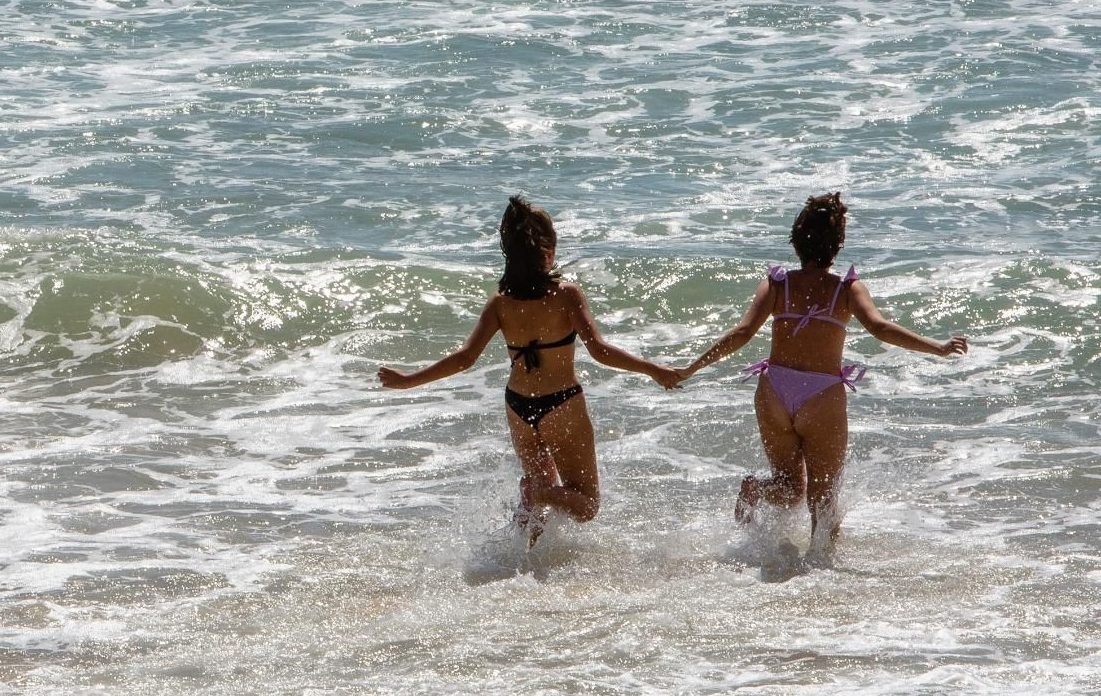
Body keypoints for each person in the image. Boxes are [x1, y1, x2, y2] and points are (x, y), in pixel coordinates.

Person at [678, 192, 968, 565]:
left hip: (774, 391)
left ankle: (753, 492)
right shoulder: (845, 289)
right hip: (822, 395)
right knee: (824, 498)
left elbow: (742, 333)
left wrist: (691, 367)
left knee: (788, 487)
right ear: (838, 244)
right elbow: (880, 328)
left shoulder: (777, 284)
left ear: (796, 240)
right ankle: (821, 575)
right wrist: (938, 348)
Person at [378, 196, 681, 537]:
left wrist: (408, 381)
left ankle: (523, 567)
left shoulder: (499, 303)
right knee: (586, 504)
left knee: (537, 507)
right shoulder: (566, 295)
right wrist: (653, 369)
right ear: (548, 252)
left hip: (518, 406)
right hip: (561, 403)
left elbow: (465, 358)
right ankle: (538, 495)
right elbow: (599, 350)